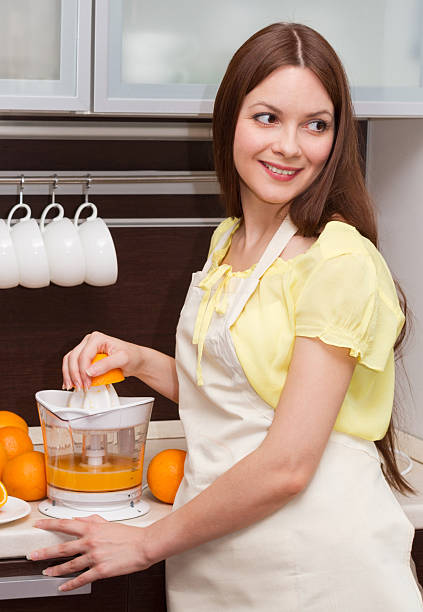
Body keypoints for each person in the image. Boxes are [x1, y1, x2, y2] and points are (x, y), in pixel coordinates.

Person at [29, 22, 423, 610]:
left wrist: (146, 544)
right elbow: (233, 402)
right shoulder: (228, 241)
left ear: (336, 138)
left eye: (315, 124)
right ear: (228, 120)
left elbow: (288, 463)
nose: (290, 146)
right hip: (216, 550)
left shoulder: (338, 259)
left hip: (318, 569)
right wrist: (138, 361)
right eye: (267, 117)